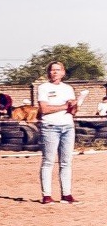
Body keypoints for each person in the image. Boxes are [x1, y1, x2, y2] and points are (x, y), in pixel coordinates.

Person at [36, 60, 77, 204]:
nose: (55, 72)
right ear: (48, 72)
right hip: (50, 127)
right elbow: (45, 109)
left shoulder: (68, 88)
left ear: (63, 72)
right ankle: (46, 195)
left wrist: (73, 106)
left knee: (66, 162)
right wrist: (64, 106)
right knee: (48, 161)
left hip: (67, 127)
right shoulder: (43, 88)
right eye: (53, 70)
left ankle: (67, 194)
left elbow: (73, 110)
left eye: (58, 70)